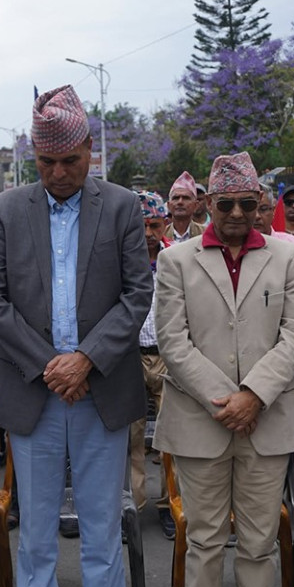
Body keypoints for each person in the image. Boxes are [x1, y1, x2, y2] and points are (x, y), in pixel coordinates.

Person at [0, 85, 152, 587]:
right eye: (47, 162)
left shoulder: (122, 206)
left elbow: (137, 294)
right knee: (35, 535)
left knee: (102, 530)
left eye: (70, 161)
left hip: (101, 389)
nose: (58, 173)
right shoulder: (4, 210)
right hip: (35, 394)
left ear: (89, 155)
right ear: (35, 157)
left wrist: (86, 358)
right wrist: (52, 364)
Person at [154, 150, 294, 587]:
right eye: (226, 205)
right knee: (203, 540)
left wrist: (254, 395)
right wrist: (227, 400)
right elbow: (171, 340)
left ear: (261, 201)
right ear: (207, 202)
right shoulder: (175, 259)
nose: (238, 214)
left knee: (260, 542)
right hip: (200, 420)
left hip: (268, 418)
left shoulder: (286, 255)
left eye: (247, 203)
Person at [130, 190, 171, 532]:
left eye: (154, 225)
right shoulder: (120, 260)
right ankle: (133, 507)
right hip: (129, 357)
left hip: (169, 356)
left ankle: (170, 503)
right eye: (141, 225)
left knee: (173, 437)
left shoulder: (178, 259)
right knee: (131, 436)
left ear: (165, 224)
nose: (147, 233)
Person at [254, 188, 294, 277]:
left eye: (263, 209)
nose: (257, 216)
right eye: (250, 209)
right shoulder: (232, 247)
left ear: (273, 210)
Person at [167, 172, 205, 243]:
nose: (180, 202)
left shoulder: (206, 234)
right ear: (168, 205)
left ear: (196, 205)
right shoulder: (161, 234)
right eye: (176, 198)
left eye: (186, 198)